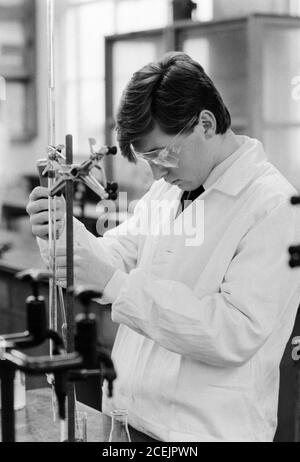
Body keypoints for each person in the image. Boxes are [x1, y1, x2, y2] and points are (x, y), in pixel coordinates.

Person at [26, 52, 300, 442]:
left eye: (161, 153)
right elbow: (114, 256)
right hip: (127, 420)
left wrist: (117, 285)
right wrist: (61, 232)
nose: (155, 171)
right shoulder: (169, 190)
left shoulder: (272, 206)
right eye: (146, 158)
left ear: (205, 123)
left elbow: (233, 331)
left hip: (202, 434)